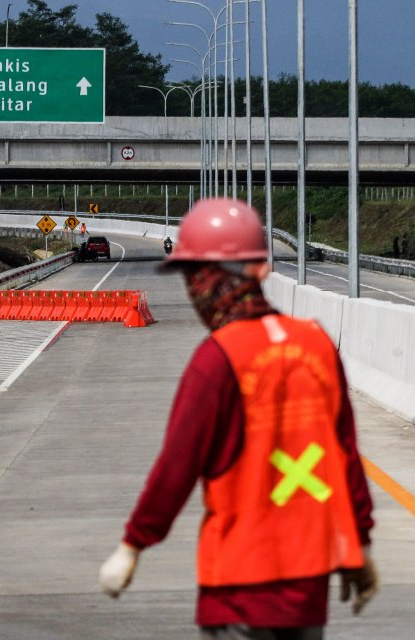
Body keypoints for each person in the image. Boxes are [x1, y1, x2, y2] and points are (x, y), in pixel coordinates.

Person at [99, 198, 378, 640]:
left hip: (237, 585)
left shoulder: (216, 360)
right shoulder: (316, 345)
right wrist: (360, 544)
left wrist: (132, 546)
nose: (196, 291)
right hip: (307, 584)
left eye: (200, 276)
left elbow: (177, 466)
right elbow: (344, 456)